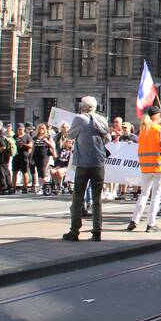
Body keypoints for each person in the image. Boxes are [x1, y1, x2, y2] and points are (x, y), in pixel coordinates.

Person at [62, 96, 110, 241]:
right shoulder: (102, 120)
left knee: (78, 197)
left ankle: (74, 231)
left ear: (83, 107)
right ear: (95, 107)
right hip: (99, 163)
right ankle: (97, 231)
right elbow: (107, 138)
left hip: (83, 163)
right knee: (97, 199)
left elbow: (70, 135)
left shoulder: (79, 119)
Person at [128, 106, 161, 233]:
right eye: (160, 115)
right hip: (159, 166)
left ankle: (134, 220)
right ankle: (151, 224)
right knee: (156, 196)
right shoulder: (160, 129)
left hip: (145, 167)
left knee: (144, 194)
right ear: (156, 116)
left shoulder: (143, 130)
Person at [31, 123, 55, 194]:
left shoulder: (48, 137)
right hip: (36, 155)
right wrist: (31, 157)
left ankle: (47, 185)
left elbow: (52, 146)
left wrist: (47, 141)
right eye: (40, 128)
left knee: (43, 170)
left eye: (43, 128)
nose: (41, 130)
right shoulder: (35, 138)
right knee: (39, 171)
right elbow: (33, 148)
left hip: (45, 156)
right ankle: (41, 187)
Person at [12, 123, 32, 194]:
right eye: (18, 129)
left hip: (24, 156)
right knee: (14, 172)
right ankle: (13, 188)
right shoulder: (14, 136)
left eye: (20, 129)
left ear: (23, 129)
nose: (19, 131)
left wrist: (24, 144)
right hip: (16, 156)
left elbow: (31, 145)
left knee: (25, 172)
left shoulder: (27, 136)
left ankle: (25, 187)